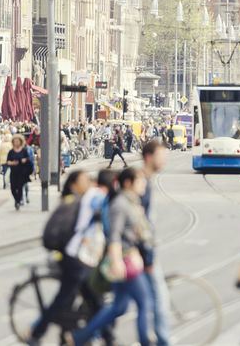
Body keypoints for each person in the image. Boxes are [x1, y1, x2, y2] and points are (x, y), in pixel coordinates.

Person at [66, 168, 154, 346]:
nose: (144, 183)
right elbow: (114, 235)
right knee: (145, 303)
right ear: (128, 183)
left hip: (126, 258)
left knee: (118, 307)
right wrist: (116, 261)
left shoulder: (129, 202)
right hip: (125, 260)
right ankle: (146, 341)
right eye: (140, 181)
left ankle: (79, 337)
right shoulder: (121, 204)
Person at [27, 170, 106, 345]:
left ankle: (69, 337)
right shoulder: (74, 202)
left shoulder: (78, 201)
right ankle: (37, 332)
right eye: (84, 180)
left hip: (75, 257)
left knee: (83, 298)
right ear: (73, 185)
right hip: (72, 258)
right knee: (67, 299)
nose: (88, 183)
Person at [139, 140, 172, 346]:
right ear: (149, 157)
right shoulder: (141, 182)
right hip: (140, 252)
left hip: (137, 252)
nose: (165, 159)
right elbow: (140, 222)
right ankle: (163, 341)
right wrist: (148, 255)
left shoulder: (145, 180)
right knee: (159, 298)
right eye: (162, 155)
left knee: (120, 303)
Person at [7, 134, 31, 210]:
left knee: (20, 187)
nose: (16, 143)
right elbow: (8, 161)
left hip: (22, 172)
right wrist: (12, 163)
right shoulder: (11, 152)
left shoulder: (24, 150)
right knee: (13, 188)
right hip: (13, 172)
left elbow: (28, 159)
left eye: (17, 141)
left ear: (20, 142)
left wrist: (25, 160)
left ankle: (18, 202)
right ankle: (17, 200)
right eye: (15, 141)